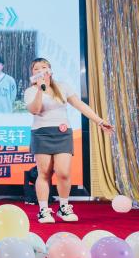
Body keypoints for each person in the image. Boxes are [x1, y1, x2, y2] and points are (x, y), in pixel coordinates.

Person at [24, 57, 113, 224]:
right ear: (33, 73)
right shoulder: (30, 91)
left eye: (44, 67)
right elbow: (35, 110)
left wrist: (100, 121)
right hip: (41, 134)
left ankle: (64, 207)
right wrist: (40, 89)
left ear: (50, 70)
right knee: (44, 173)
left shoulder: (63, 87)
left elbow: (80, 105)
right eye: (37, 68)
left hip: (62, 133)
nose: (41, 70)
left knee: (63, 172)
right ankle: (43, 210)